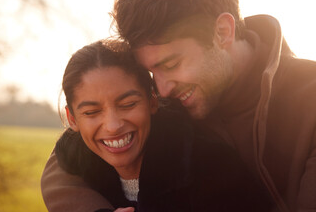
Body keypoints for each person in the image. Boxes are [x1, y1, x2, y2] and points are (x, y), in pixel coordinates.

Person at [41, 0, 316, 211]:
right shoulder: (166, 100)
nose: (161, 89)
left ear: (222, 32)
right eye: (150, 73)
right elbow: (64, 162)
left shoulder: (309, 97)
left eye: (171, 64)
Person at [43, 40, 272, 212]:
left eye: (128, 104)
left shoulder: (213, 169)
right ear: (72, 119)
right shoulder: (74, 165)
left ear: (153, 100)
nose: (112, 126)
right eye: (92, 112)